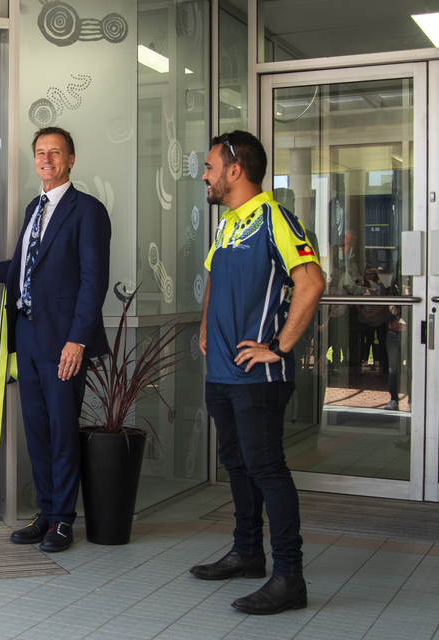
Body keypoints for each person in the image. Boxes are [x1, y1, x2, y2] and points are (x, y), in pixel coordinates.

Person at [191, 130, 325, 614]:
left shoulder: (275, 219)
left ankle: (290, 577)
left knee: (267, 468)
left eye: (209, 167)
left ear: (234, 169)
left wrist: (279, 346)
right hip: (222, 374)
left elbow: (311, 283)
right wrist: (207, 328)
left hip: (258, 377)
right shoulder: (227, 223)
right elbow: (214, 278)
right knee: (238, 465)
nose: (203, 175)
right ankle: (247, 552)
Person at [0, 126, 111, 552]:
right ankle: (46, 513)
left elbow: (92, 281)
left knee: (63, 431)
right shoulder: (34, 207)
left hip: (63, 341)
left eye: (55, 152)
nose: (46, 159)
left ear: (71, 159)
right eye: (40, 152)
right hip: (25, 335)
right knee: (37, 432)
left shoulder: (88, 211)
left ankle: (64, 519)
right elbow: (27, 267)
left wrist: (78, 340)